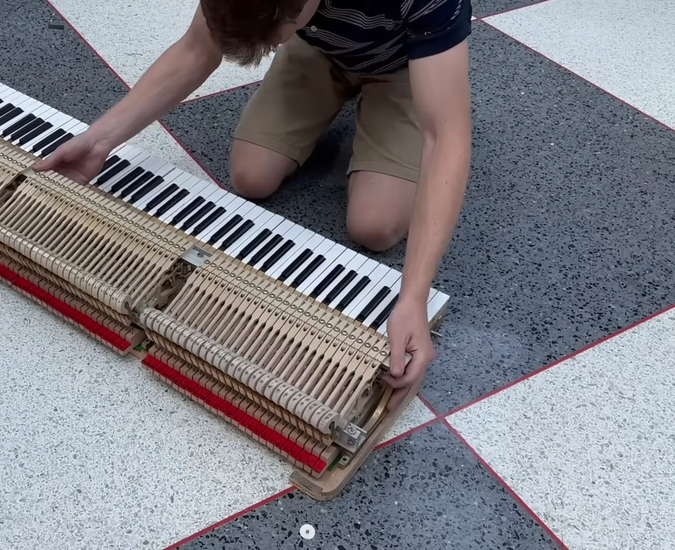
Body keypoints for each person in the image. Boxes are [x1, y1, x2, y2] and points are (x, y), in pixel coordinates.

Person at [34, 0, 473, 409]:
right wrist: (101, 139)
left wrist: (413, 297)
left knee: (374, 226)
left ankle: (377, 102)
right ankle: (328, 79)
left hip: (407, 68)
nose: (274, 41)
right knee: (252, 176)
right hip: (320, 51)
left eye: (279, 28)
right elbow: (195, 49)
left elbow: (446, 138)